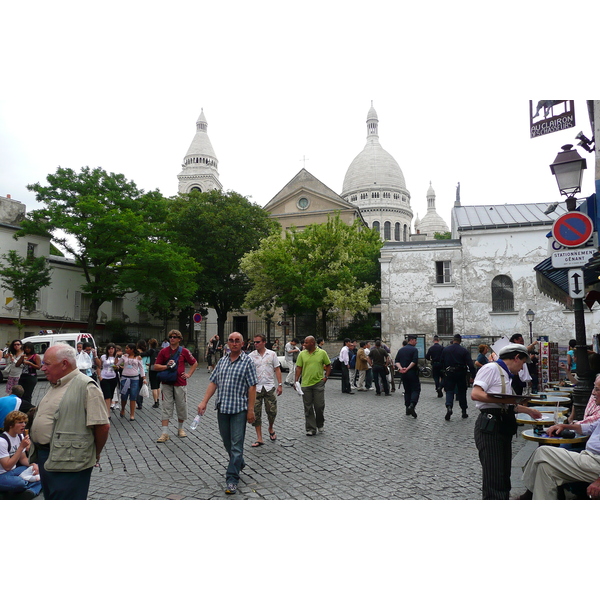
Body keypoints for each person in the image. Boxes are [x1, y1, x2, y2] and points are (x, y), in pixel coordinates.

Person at [29, 344, 110, 500]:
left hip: (69, 462)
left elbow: (103, 427)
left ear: (64, 364)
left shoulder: (87, 386)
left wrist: (95, 453)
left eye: (47, 364)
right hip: (47, 456)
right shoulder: (56, 383)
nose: (42, 368)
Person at [471, 343, 542, 500]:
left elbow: (506, 405)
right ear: (516, 358)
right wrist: (503, 398)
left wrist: (530, 411)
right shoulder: (491, 369)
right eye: (523, 363)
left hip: (503, 424)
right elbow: (476, 394)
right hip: (490, 425)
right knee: (495, 478)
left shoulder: (505, 373)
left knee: (503, 475)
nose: (522, 368)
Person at [518, 377, 600, 500]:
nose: (593, 392)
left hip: (595, 463)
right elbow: (590, 427)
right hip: (588, 458)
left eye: (597, 389)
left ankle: (528, 490)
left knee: (543, 451)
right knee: (545, 469)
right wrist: (563, 426)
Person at [197, 332, 257, 495]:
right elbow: (213, 382)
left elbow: (252, 387)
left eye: (237, 341)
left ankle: (232, 479)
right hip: (223, 408)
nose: (234, 343)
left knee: (236, 445)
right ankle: (239, 462)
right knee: (227, 443)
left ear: (242, 343)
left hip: (239, 409)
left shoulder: (247, 362)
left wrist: (251, 410)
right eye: (231, 341)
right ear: (227, 343)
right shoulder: (222, 361)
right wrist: (204, 401)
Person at [153, 329, 197, 442]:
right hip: (167, 383)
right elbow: (156, 366)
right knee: (166, 406)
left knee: (181, 405)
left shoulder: (184, 351)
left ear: (179, 339)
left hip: (180, 383)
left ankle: (180, 429)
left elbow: (194, 363)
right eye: (170, 337)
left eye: (174, 337)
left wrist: (189, 374)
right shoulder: (163, 351)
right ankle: (164, 433)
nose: (172, 339)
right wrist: (166, 366)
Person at [249, 333, 282, 447]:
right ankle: (259, 438)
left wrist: (280, 384)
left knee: (272, 411)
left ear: (264, 342)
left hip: (269, 386)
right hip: (256, 388)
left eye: (258, 342)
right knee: (256, 413)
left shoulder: (272, 354)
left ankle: (270, 427)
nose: (255, 344)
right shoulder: (251, 356)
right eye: (254, 342)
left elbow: (277, 369)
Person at [0, 410, 42, 499]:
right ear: (10, 425)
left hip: (14, 471)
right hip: (2, 474)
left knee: (42, 471)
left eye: (24, 422)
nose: (23, 425)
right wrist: (21, 447)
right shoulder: (2, 441)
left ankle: (30, 492)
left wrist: (33, 465)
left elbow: (23, 459)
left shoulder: (20, 436)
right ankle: (29, 487)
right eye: (20, 422)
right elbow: (7, 466)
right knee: (19, 483)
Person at [295, 335, 331, 436]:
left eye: (306, 343)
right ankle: (311, 428)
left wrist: (326, 377)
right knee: (308, 407)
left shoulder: (322, 353)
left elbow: (328, 365)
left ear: (312, 343)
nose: (304, 344)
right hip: (305, 384)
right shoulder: (302, 354)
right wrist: (296, 380)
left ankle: (320, 423)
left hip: (318, 382)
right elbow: (298, 367)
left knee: (319, 406)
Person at [440, 333, 476, 420]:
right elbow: (470, 364)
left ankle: (449, 407)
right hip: (461, 373)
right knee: (462, 391)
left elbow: (442, 363)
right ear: (460, 341)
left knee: (449, 390)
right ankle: (464, 411)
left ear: (453, 340)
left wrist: (442, 375)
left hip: (449, 373)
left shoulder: (446, 350)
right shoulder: (464, 350)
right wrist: (474, 375)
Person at [395, 335, 420, 418]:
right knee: (416, 389)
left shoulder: (401, 350)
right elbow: (414, 361)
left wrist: (401, 368)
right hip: (412, 373)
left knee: (407, 390)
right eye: (415, 340)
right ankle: (412, 405)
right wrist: (408, 368)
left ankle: (407, 408)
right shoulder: (414, 350)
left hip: (404, 374)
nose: (416, 342)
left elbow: (397, 361)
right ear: (411, 340)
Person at [97, 343, 119, 414]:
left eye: (112, 348)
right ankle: (107, 413)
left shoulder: (116, 357)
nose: (111, 350)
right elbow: (99, 367)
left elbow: (118, 366)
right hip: (104, 377)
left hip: (113, 377)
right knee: (107, 395)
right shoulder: (103, 357)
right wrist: (99, 376)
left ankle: (107, 408)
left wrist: (116, 366)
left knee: (111, 395)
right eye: (109, 349)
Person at [144, 338, 161, 408]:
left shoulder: (151, 351)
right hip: (159, 368)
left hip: (152, 369)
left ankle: (155, 402)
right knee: (158, 386)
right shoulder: (159, 351)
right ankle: (158, 399)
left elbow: (143, 354)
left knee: (153, 386)